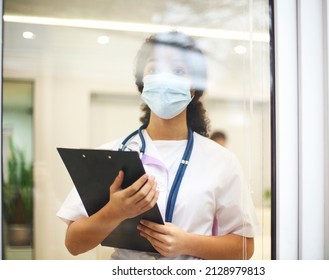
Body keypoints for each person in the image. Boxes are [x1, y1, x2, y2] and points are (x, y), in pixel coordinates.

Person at [57, 31, 258, 260]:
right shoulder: (111, 154)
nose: (165, 78)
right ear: (142, 83)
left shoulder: (222, 161)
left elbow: (244, 248)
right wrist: (113, 212)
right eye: (154, 69)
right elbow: (73, 244)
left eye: (179, 71)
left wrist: (188, 243)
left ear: (194, 87)